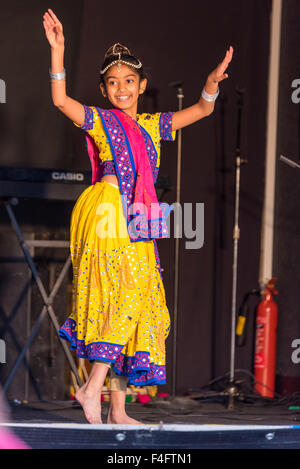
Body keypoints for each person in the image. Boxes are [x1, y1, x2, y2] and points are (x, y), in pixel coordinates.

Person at [43, 8, 233, 425]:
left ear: (143, 86)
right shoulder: (101, 120)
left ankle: (118, 408)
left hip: (139, 219)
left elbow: (201, 111)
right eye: (113, 82)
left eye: (129, 81)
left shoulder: (153, 125)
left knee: (145, 305)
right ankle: (91, 389)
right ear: (104, 89)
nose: (122, 88)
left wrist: (209, 86)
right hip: (107, 212)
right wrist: (58, 51)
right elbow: (60, 100)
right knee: (125, 296)